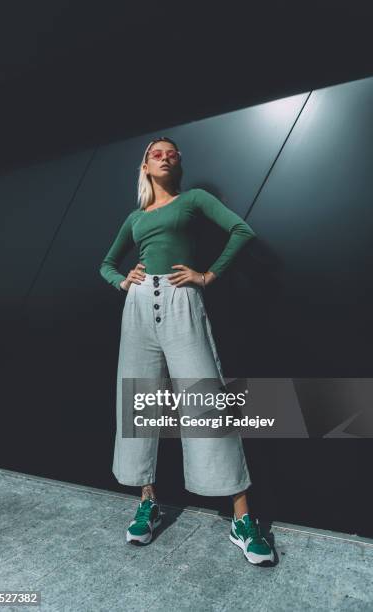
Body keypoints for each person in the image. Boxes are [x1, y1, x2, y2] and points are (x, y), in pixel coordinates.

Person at [99, 136, 274, 565]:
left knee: (206, 401)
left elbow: (242, 231)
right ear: (144, 165)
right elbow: (106, 263)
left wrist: (209, 275)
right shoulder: (136, 218)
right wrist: (121, 281)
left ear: (179, 165)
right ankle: (148, 502)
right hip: (139, 306)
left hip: (181, 301)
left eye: (172, 154)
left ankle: (242, 520)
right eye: (156, 153)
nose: (165, 157)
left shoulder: (193, 199)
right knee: (141, 401)